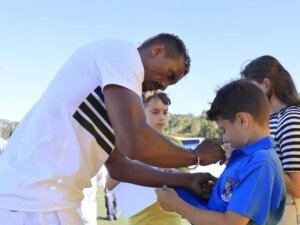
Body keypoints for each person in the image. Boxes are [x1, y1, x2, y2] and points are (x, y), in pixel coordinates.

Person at [0, 33, 225, 225]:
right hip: (31, 202)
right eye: (169, 75)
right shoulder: (123, 54)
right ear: (157, 50)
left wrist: (186, 181)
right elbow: (135, 142)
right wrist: (195, 157)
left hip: (54, 202)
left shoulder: (120, 95)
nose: (165, 85)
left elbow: (119, 166)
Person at [156, 79, 286, 225]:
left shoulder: (261, 163)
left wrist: (177, 206)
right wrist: (183, 182)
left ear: (242, 120)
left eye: (224, 130)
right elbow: (223, 206)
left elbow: (231, 222)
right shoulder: (245, 158)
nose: (224, 138)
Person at [106, 91, 190, 225]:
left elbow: (188, 183)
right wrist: (138, 159)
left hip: (171, 221)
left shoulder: (176, 144)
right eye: (155, 112)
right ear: (140, 112)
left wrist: (167, 168)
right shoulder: (126, 145)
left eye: (165, 112)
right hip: (138, 221)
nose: (162, 117)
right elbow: (109, 185)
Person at [241, 55, 300, 225]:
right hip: (270, 209)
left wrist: (251, 156)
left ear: (266, 84)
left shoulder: (291, 118)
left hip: (287, 210)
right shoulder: (269, 120)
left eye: (251, 88)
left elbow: (297, 187)